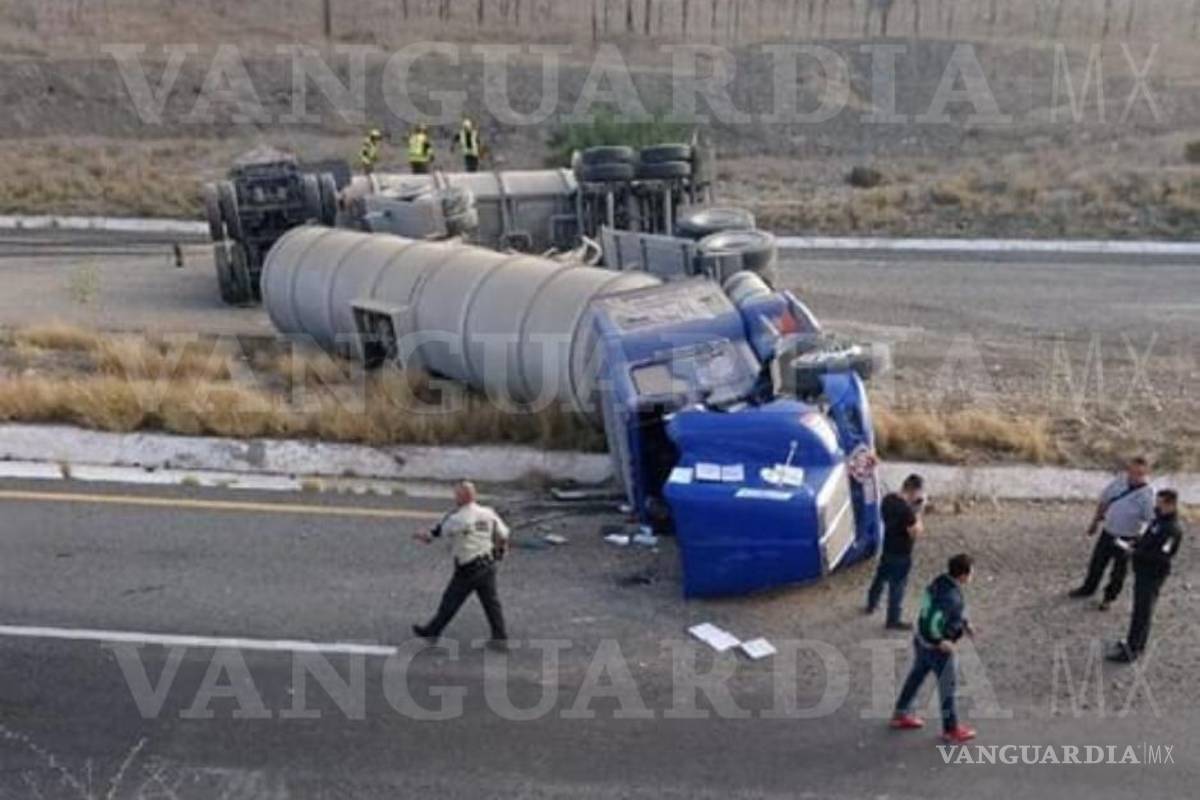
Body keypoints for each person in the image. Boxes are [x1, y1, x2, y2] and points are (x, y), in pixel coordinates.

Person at [890, 554, 978, 744]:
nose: (972, 576)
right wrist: (940, 641)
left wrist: (964, 622)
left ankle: (901, 712)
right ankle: (951, 728)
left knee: (916, 676)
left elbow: (932, 612)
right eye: (971, 572)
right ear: (963, 575)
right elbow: (935, 620)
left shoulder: (939, 582)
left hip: (921, 641)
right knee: (948, 688)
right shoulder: (952, 597)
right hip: (938, 649)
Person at [413, 481, 511, 648]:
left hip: (468, 568)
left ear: (461, 497)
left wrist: (421, 536)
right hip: (488, 565)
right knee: (491, 603)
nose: (454, 497)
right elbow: (503, 534)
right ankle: (500, 638)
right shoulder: (488, 513)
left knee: (450, 600)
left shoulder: (457, 518)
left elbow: (436, 533)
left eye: (456, 494)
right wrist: (500, 551)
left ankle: (432, 632)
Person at [1108, 489, 1185, 663]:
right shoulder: (1158, 520)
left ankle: (1133, 649)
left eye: (1160, 503)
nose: (1156, 506)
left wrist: (1135, 553)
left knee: (1143, 612)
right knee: (1139, 610)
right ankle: (1133, 642)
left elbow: (1163, 556)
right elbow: (1147, 538)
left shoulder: (1172, 529)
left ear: (1170, 504)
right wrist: (1134, 544)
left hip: (1152, 575)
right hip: (1143, 571)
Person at [1069, 456, 1155, 610]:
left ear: (1146, 473)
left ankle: (1108, 598)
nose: (1133, 476)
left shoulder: (1147, 495)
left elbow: (1150, 521)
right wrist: (1095, 522)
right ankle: (1088, 589)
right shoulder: (1119, 483)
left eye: (1138, 473)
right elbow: (1105, 501)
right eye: (1132, 471)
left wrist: (1139, 541)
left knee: (1119, 571)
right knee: (1097, 563)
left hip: (1127, 537)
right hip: (1108, 532)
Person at [866, 474, 926, 630]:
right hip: (902, 553)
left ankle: (871, 603)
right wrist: (918, 512)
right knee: (897, 587)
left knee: (880, 577)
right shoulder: (907, 511)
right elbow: (915, 532)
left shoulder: (888, 500)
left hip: (887, 547)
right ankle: (893, 619)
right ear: (914, 491)